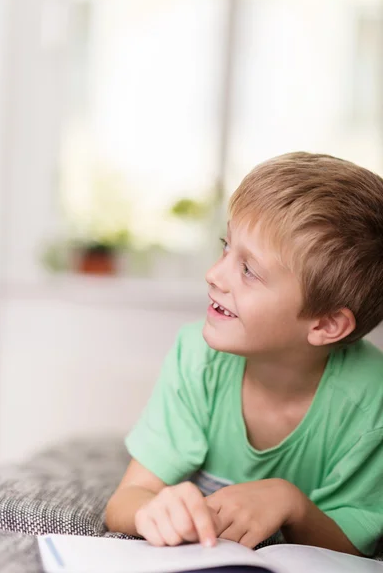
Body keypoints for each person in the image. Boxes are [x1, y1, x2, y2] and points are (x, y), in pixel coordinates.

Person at [105, 152, 383, 558]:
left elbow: (356, 547)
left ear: (325, 324)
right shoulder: (196, 358)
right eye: (225, 247)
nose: (214, 275)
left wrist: (293, 505)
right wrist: (151, 509)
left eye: (249, 270)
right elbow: (126, 500)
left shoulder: (371, 400)